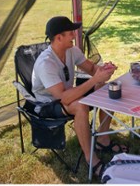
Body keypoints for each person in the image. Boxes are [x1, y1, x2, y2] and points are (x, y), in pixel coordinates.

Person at [31, 16, 127, 177]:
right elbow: (64, 98)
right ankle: (92, 160)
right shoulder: (46, 63)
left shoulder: (72, 50)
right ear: (59, 37)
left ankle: (103, 141)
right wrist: (95, 79)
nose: (75, 36)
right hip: (47, 103)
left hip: (67, 94)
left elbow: (92, 69)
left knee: (105, 88)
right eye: (71, 33)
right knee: (80, 106)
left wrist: (104, 70)